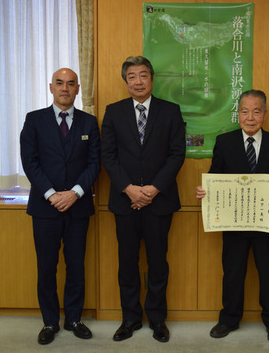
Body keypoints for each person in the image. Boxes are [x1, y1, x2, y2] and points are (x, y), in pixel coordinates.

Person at [195, 89, 269, 343]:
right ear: (238, 113)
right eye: (244, 111)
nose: (250, 117)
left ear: (264, 113)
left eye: (256, 111)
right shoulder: (225, 142)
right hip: (234, 221)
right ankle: (229, 319)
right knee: (232, 272)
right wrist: (205, 191)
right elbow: (215, 176)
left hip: (267, 222)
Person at [101, 56, 186, 343]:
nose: (138, 81)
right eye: (132, 77)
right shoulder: (113, 112)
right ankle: (130, 318)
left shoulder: (171, 111)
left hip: (159, 201)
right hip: (124, 201)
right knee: (127, 263)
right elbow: (108, 156)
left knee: (158, 262)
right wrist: (129, 189)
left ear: (152, 79)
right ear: (125, 82)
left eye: (143, 75)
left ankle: (158, 320)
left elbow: (177, 155)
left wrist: (152, 189)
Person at [20, 68, 101, 345]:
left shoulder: (89, 123)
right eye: (59, 84)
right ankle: (50, 322)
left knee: (76, 265)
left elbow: (94, 164)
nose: (65, 88)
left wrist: (75, 193)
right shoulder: (34, 120)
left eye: (70, 84)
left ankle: (75, 319)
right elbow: (30, 162)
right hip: (45, 207)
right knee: (47, 267)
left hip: (78, 207)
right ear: (51, 88)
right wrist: (53, 194)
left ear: (78, 89)